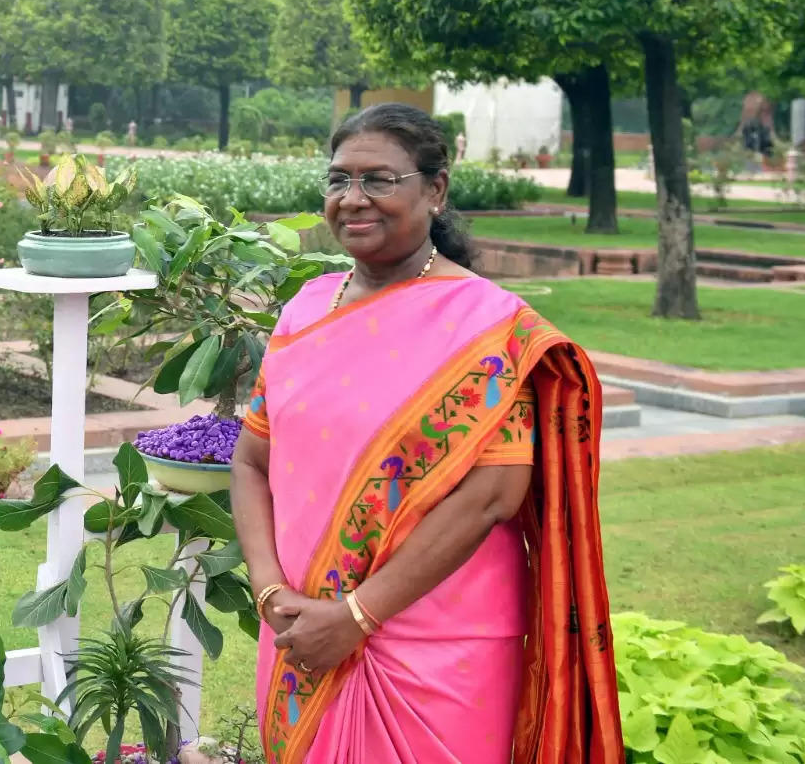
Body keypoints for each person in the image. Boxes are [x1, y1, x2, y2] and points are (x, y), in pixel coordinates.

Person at [231, 103, 622, 764]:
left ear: (434, 191)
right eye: (338, 181)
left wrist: (357, 617)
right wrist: (271, 594)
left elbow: (492, 496)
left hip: (439, 648)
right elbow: (251, 461)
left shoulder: (489, 327)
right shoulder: (304, 309)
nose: (353, 199)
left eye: (379, 180)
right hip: (301, 633)